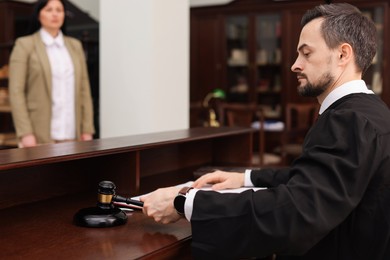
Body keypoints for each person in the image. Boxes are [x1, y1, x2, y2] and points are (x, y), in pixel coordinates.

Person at [140, 3, 390, 259]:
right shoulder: (371, 111)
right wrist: (245, 178)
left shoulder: (348, 120)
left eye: (306, 53)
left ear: (342, 54)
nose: (295, 65)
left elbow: (298, 211)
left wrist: (184, 203)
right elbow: (317, 179)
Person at [9, 0, 95, 147]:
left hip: (73, 134)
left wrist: (87, 129)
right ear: (39, 15)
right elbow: (16, 92)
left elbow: (84, 90)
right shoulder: (24, 45)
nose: (55, 14)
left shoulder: (75, 46)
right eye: (49, 10)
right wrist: (26, 133)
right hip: (38, 136)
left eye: (59, 10)